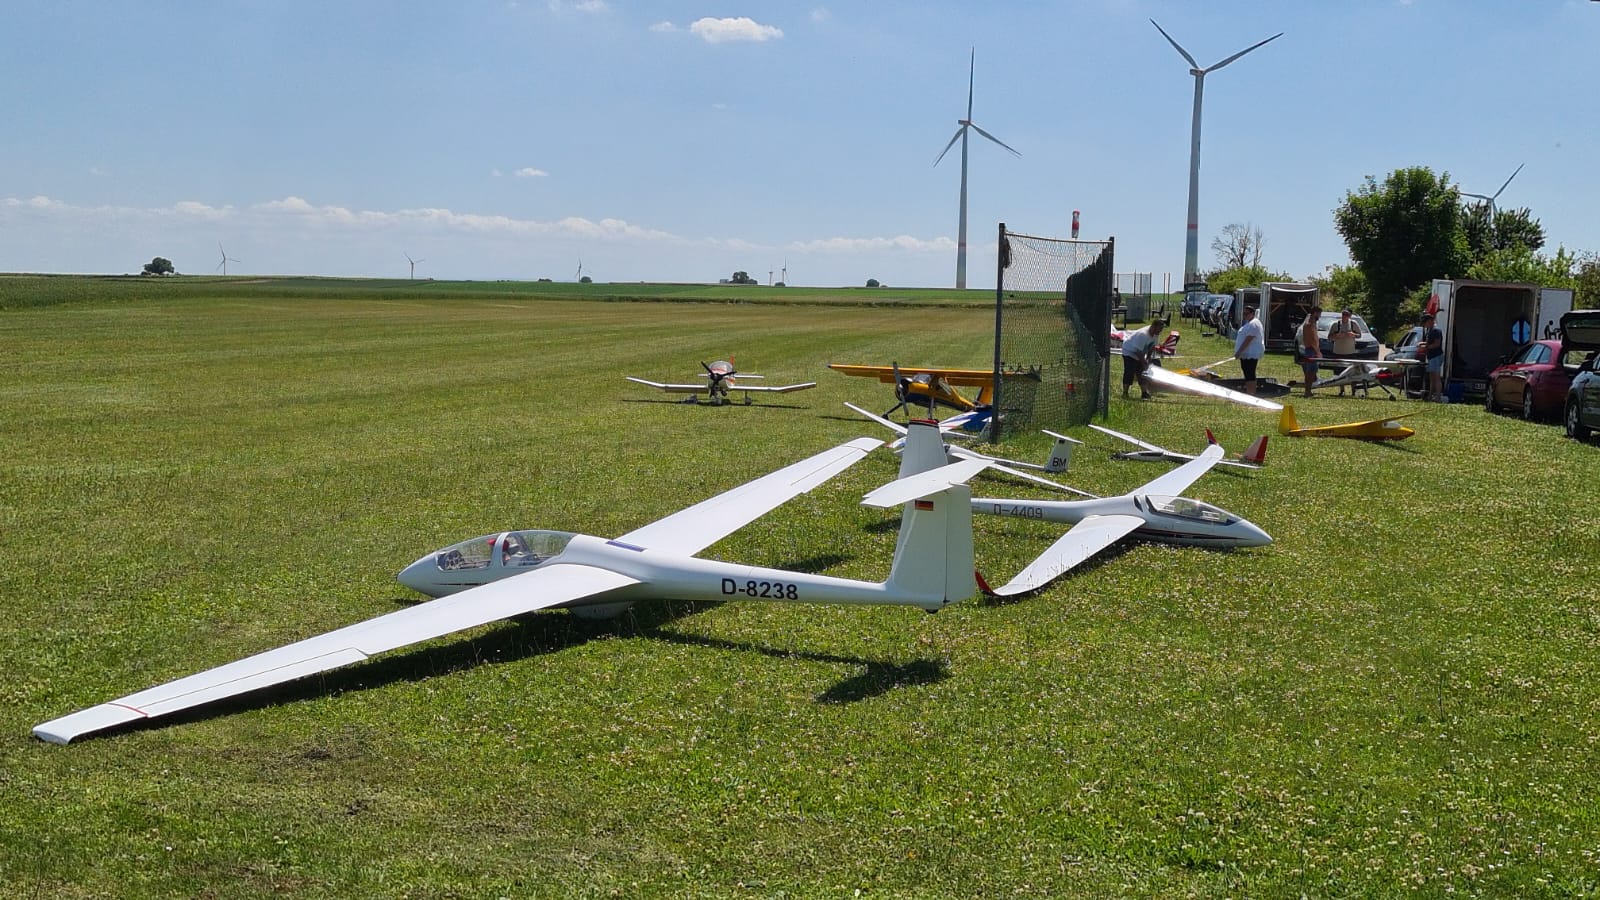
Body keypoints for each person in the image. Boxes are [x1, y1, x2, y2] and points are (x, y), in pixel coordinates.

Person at [1120, 318, 1165, 399]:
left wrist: (1148, 358)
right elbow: (1138, 352)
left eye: (1161, 329)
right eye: (1159, 329)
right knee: (1130, 371)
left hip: (1139, 352)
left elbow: (1152, 346)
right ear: (1153, 327)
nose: (1160, 331)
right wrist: (1144, 362)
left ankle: (1144, 393)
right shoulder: (1142, 334)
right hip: (1129, 351)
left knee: (1142, 373)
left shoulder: (1156, 334)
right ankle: (1125, 393)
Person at [1233, 305, 1265, 395]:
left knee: (1250, 372)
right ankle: (1249, 391)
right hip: (1245, 353)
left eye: (1247, 313)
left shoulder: (1254, 323)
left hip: (1250, 353)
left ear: (1252, 314)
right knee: (1246, 371)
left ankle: (1251, 392)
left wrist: (1239, 351)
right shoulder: (1248, 323)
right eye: (1244, 313)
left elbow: (1248, 339)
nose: (1245, 315)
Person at [1297, 306, 1322, 398]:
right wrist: (1318, 352)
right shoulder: (1309, 324)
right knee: (1310, 373)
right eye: (1319, 314)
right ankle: (1307, 392)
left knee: (1312, 372)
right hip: (1311, 350)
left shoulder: (1312, 323)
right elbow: (1312, 340)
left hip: (1311, 350)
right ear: (1315, 313)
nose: (1320, 316)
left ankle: (1308, 391)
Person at [1420, 312, 1446, 402]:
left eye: (1425, 322)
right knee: (1431, 377)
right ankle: (1430, 396)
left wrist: (1426, 347)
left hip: (1436, 356)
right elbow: (1429, 342)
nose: (1424, 325)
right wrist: (1423, 343)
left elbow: (1437, 344)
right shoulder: (1429, 330)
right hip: (1431, 357)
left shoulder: (1436, 330)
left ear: (1430, 321)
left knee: (1436, 377)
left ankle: (1438, 397)